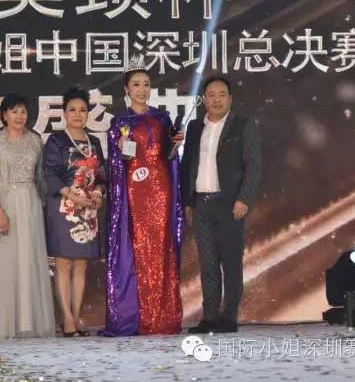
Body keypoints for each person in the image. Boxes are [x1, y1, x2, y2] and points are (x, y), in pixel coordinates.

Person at [103, 55, 184, 336]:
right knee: (136, 248)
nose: (142, 89)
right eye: (136, 84)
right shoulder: (119, 122)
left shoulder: (162, 118)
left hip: (160, 190)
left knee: (160, 249)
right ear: (126, 89)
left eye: (146, 84)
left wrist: (176, 144)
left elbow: (170, 156)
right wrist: (121, 149)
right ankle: (136, 316)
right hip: (134, 193)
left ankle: (162, 317)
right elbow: (116, 165)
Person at [0, 94, 55, 339]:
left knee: (28, 260)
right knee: (2, 261)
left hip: (31, 204)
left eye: (23, 111)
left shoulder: (35, 141)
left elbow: (43, 177)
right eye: (14, 111)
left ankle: (26, 322)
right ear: (4, 115)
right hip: (5, 204)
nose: (20, 116)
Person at [180, 76, 262, 334]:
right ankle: (210, 317)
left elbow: (253, 165)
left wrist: (244, 198)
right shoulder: (195, 128)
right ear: (204, 99)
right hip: (202, 205)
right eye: (211, 95)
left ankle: (229, 317)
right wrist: (188, 201)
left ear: (230, 98)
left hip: (230, 205)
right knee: (208, 265)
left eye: (222, 94)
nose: (216, 99)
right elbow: (187, 165)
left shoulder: (242, 126)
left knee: (231, 263)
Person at [43, 87, 106, 337]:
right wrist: (72, 196)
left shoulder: (94, 142)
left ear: (88, 114)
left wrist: (98, 194)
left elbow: (102, 175)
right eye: (72, 110)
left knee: (81, 265)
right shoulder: (56, 140)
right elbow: (49, 174)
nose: (78, 114)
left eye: (82, 110)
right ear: (64, 113)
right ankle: (67, 319)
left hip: (88, 210)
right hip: (64, 207)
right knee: (63, 264)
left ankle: (76, 317)